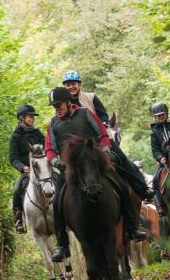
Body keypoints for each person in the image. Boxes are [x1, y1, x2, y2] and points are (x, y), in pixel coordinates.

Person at [45, 87, 149, 262]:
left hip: (93, 162)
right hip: (70, 168)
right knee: (57, 202)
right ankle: (63, 245)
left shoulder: (85, 114)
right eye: (54, 105)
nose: (56, 107)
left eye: (58, 104)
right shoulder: (53, 124)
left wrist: (106, 150)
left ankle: (132, 227)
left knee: (121, 186)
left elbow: (102, 134)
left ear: (68, 102)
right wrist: (55, 162)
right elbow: (49, 149)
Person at [62, 70, 152, 202]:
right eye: (68, 84)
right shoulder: (62, 103)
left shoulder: (91, 97)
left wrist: (103, 124)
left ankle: (142, 189)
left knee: (122, 159)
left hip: (99, 139)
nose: (71, 87)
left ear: (79, 84)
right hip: (79, 146)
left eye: (73, 83)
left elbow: (103, 114)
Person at [9, 104, 45, 233]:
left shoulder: (37, 133)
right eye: (30, 117)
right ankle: (18, 221)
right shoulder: (16, 137)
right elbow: (13, 158)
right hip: (28, 171)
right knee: (17, 190)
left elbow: (46, 147)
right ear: (22, 118)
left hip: (42, 168)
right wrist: (22, 167)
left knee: (58, 180)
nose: (33, 119)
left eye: (33, 117)